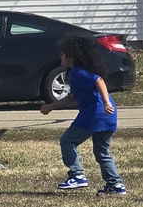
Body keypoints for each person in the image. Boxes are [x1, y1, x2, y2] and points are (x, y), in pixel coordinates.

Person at [40, 34, 126, 195]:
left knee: (67, 141)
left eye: (63, 53)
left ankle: (76, 175)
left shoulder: (78, 73)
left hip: (95, 114)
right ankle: (115, 184)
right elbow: (72, 98)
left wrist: (106, 102)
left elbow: (98, 81)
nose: (60, 56)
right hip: (109, 115)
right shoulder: (76, 73)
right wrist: (51, 106)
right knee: (102, 152)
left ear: (71, 56)